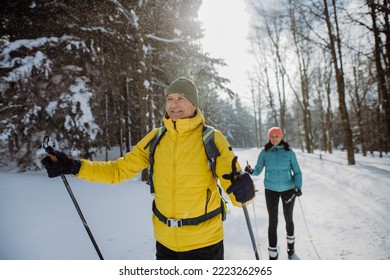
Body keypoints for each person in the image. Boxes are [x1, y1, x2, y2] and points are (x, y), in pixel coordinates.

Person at [41, 77, 255, 260]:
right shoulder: (155, 138)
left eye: (181, 98)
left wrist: (244, 189)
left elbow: (236, 190)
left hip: (205, 245)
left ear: (194, 104)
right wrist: (74, 166)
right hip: (165, 244)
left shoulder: (211, 138)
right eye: (170, 99)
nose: (174, 103)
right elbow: (118, 170)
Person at [245, 127, 302, 260]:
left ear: (281, 137)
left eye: (277, 136)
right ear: (269, 138)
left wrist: (298, 186)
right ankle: (272, 254)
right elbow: (258, 169)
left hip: (288, 189)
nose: (274, 138)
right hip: (271, 190)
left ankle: (291, 246)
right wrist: (251, 171)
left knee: (288, 218)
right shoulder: (265, 152)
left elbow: (297, 172)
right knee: (273, 220)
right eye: (272, 136)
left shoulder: (289, 152)